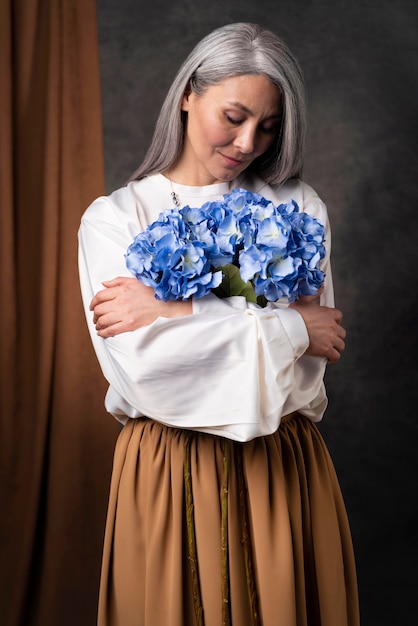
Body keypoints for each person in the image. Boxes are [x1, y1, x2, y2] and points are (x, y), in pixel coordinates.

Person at [78, 22, 359, 626]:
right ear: (187, 95)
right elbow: (151, 370)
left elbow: (304, 370)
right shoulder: (113, 221)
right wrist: (285, 325)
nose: (248, 141)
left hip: (282, 465)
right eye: (233, 116)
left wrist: (172, 309)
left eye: (269, 126)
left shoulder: (299, 208)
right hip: (165, 468)